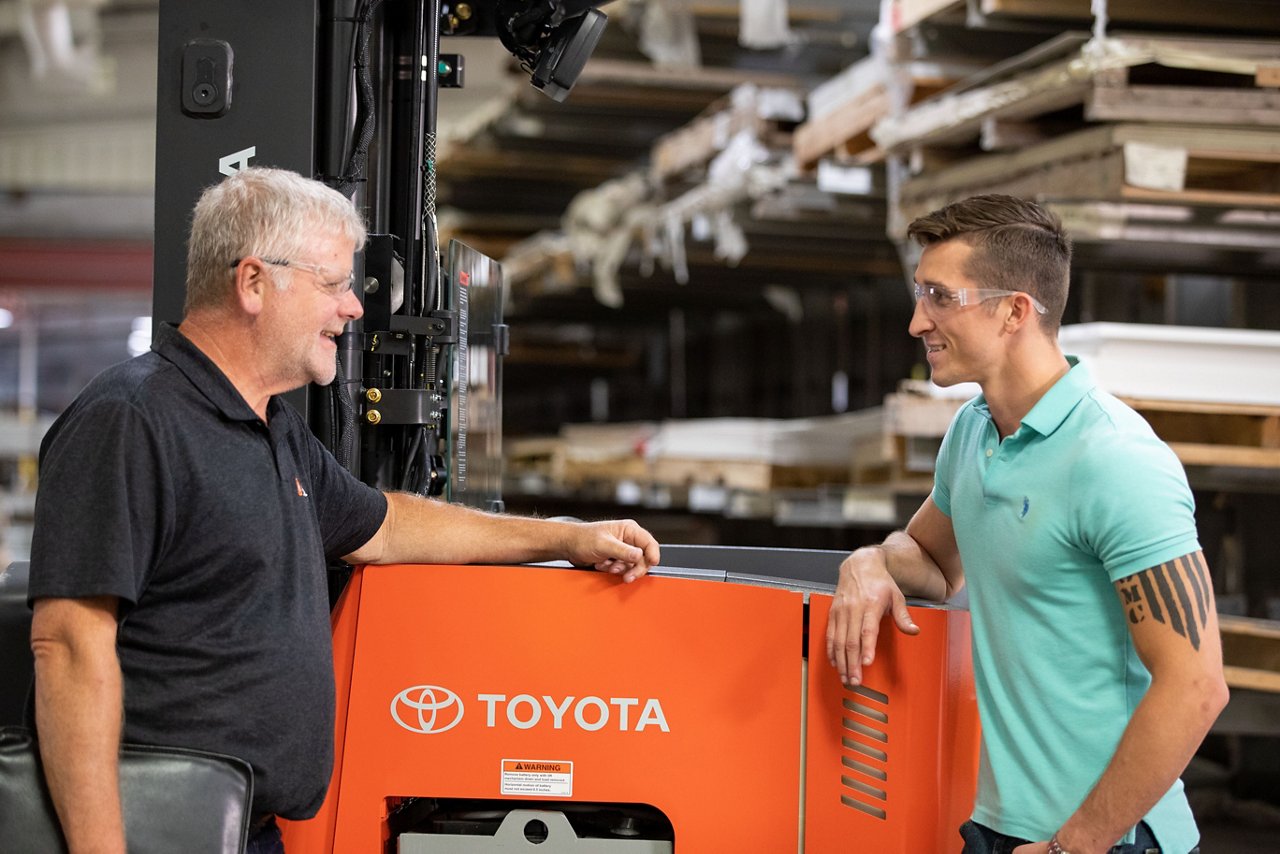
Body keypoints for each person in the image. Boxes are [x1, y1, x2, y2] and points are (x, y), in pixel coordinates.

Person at [26, 167, 661, 854]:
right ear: (253, 283)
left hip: (244, 829)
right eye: (332, 283)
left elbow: (383, 527)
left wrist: (561, 538)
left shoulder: (271, 427)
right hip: (157, 829)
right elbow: (67, 647)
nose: (354, 307)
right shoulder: (132, 420)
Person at [825, 195, 1227, 854]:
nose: (916, 321)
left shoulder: (1114, 459)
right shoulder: (972, 434)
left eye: (939, 296)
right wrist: (869, 562)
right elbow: (930, 564)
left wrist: (1076, 844)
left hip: (1109, 840)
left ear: (1015, 310)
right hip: (1004, 824)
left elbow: (1197, 685)